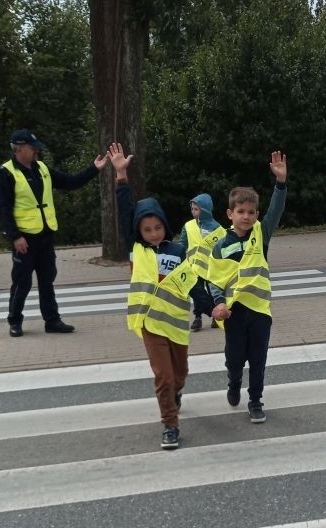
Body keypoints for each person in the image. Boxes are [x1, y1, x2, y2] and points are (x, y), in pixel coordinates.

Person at [109, 142, 198, 450]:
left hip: (175, 323)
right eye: (147, 229)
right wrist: (121, 175)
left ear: (164, 225)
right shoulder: (136, 250)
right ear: (140, 232)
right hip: (149, 322)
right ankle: (170, 425)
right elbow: (124, 212)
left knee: (180, 374)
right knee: (163, 376)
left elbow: (192, 284)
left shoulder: (178, 251)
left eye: (157, 227)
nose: (153, 233)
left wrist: (215, 305)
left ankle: (176, 392)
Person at [0, 128, 109, 337]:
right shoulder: (7, 173)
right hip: (24, 238)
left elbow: (70, 182)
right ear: (19, 149)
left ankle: (52, 321)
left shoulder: (42, 169)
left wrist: (94, 169)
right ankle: (15, 321)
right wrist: (15, 236)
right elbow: (3, 208)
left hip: (45, 236)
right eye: (33, 148)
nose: (37, 151)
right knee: (22, 281)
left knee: (47, 279)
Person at [208, 152, 288, 424]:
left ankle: (255, 400)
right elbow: (214, 279)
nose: (247, 216)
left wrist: (280, 182)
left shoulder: (260, 234)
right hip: (234, 313)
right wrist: (218, 303)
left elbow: (275, 212)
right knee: (235, 358)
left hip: (260, 310)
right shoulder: (221, 245)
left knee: (258, 358)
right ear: (230, 214)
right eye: (241, 212)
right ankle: (233, 381)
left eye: (252, 212)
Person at [178, 193, 226, 332]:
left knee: (213, 292)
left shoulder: (218, 229)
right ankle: (197, 317)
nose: (193, 212)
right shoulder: (188, 226)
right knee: (198, 294)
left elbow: (222, 248)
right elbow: (182, 244)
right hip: (194, 267)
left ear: (204, 209)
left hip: (212, 267)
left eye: (196, 209)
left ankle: (215, 316)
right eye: (192, 209)